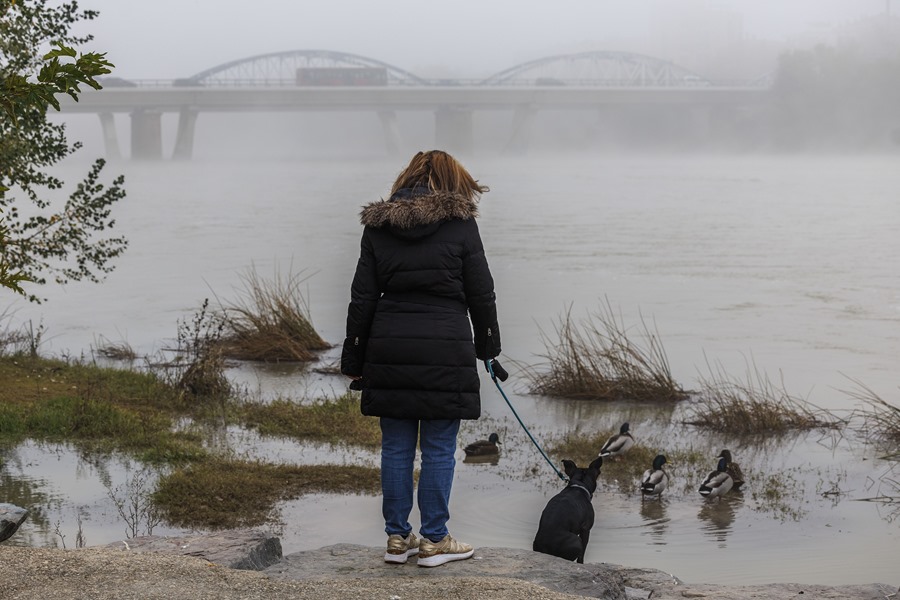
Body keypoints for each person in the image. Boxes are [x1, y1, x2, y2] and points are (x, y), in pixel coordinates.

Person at [341, 150, 502, 568]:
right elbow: (481, 293)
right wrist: (488, 349)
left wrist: (354, 359)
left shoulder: (379, 226)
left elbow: (362, 298)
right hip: (445, 347)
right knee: (438, 449)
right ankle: (434, 541)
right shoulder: (461, 226)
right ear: (452, 182)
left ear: (408, 177)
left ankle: (397, 539)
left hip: (389, 346)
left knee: (395, 448)